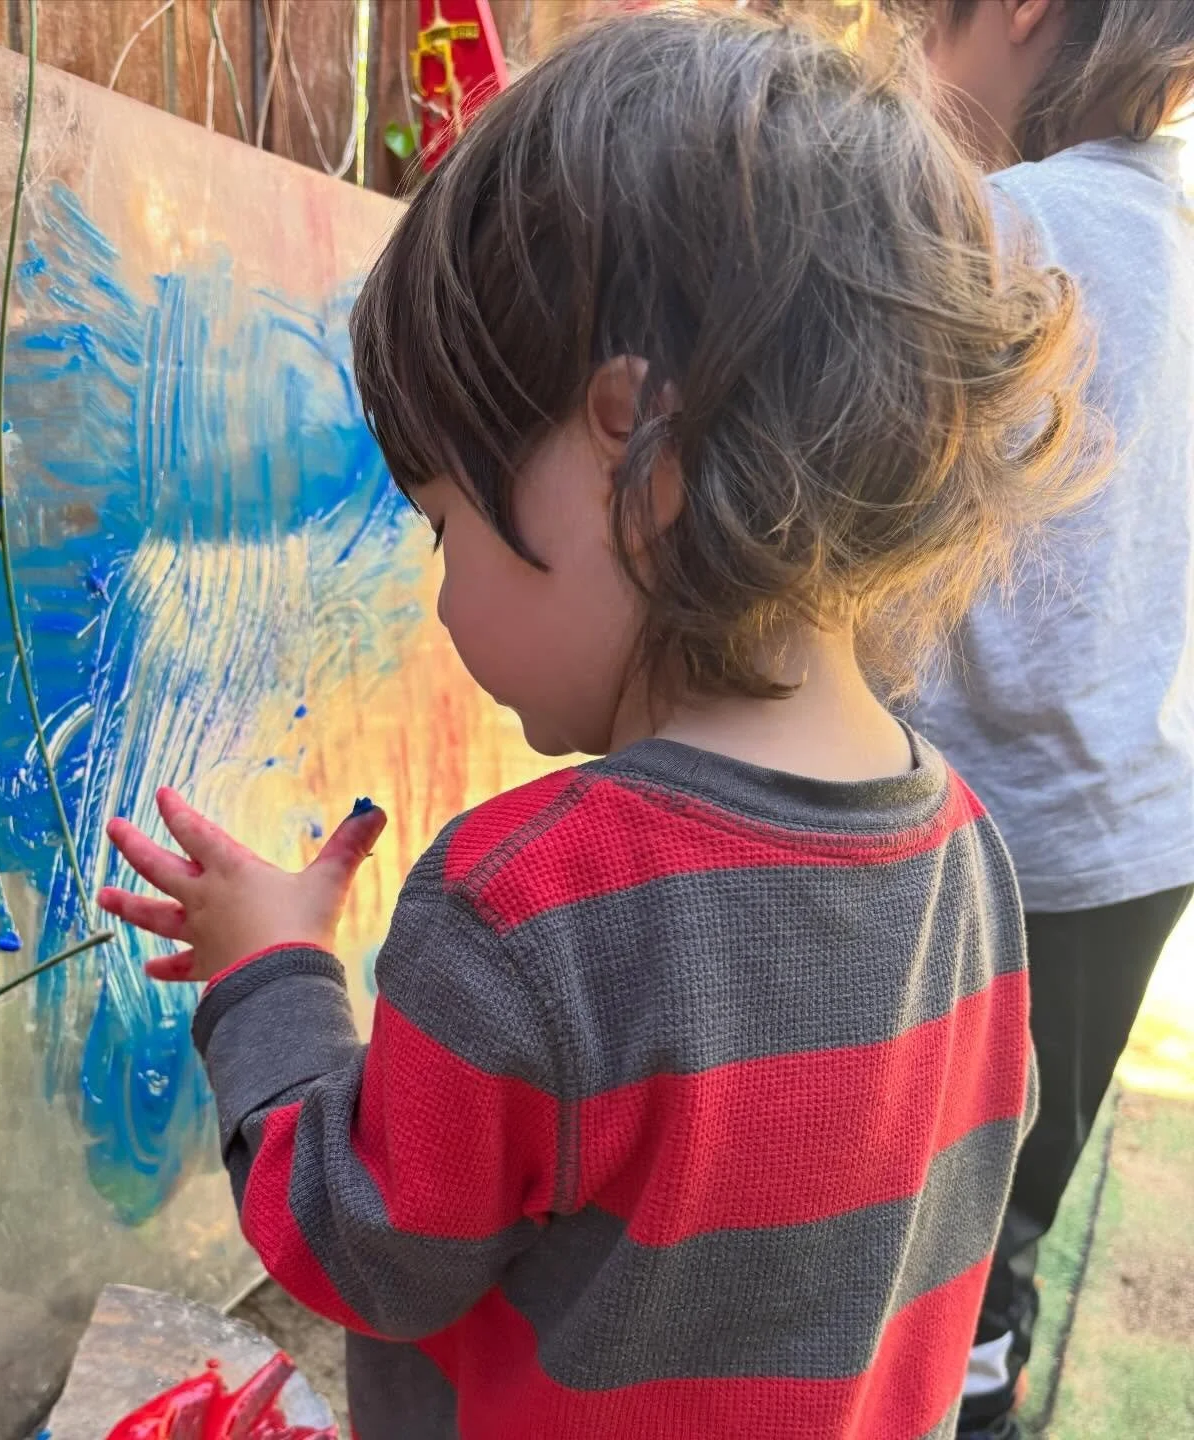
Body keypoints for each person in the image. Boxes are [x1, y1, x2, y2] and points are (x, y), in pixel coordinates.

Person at [98, 10, 1094, 1438]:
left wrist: (271, 981)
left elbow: (367, 1250)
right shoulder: (968, 860)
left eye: (444, 525)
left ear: (640, 447)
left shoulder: (530, 907)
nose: (443, 596)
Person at [908, 2, 1194, 1436]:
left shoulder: (991, 226)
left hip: (961, 831)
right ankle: (983, 1391)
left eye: (920, 32)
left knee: (890, 1221)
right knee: (1004, 1223)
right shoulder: (1180, 236)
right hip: (1137, 837)